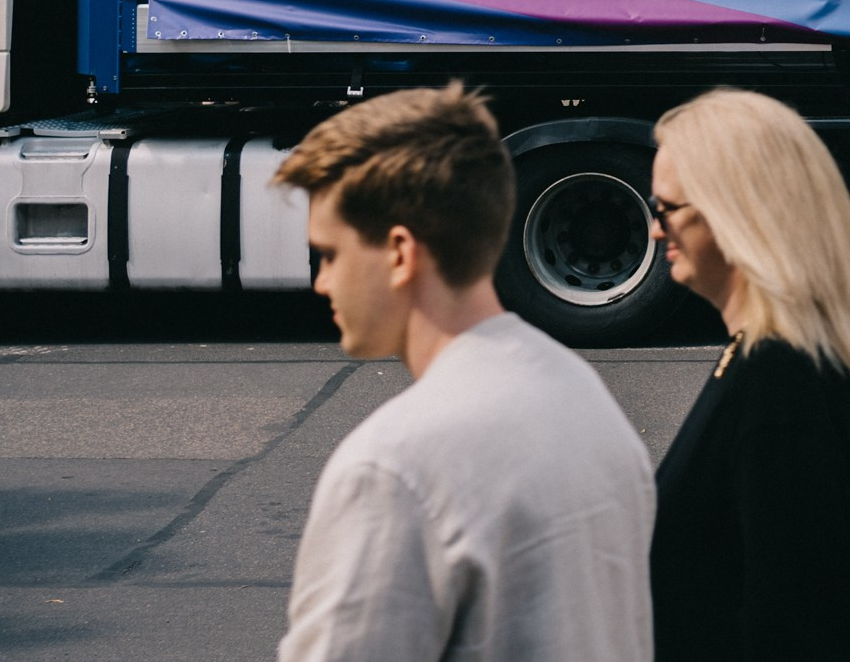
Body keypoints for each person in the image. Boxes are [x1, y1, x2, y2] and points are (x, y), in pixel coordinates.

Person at [274, 83, 655, 661]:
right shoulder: (584, 397)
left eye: (330, 254)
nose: (320, 282)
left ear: (400, 252)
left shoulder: (392, 467)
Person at [647, 88, 850, 660]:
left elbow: (797, 623)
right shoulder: (778, 357)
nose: (657, 229)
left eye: (668, 208)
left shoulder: (779, 382)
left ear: (739, 212)